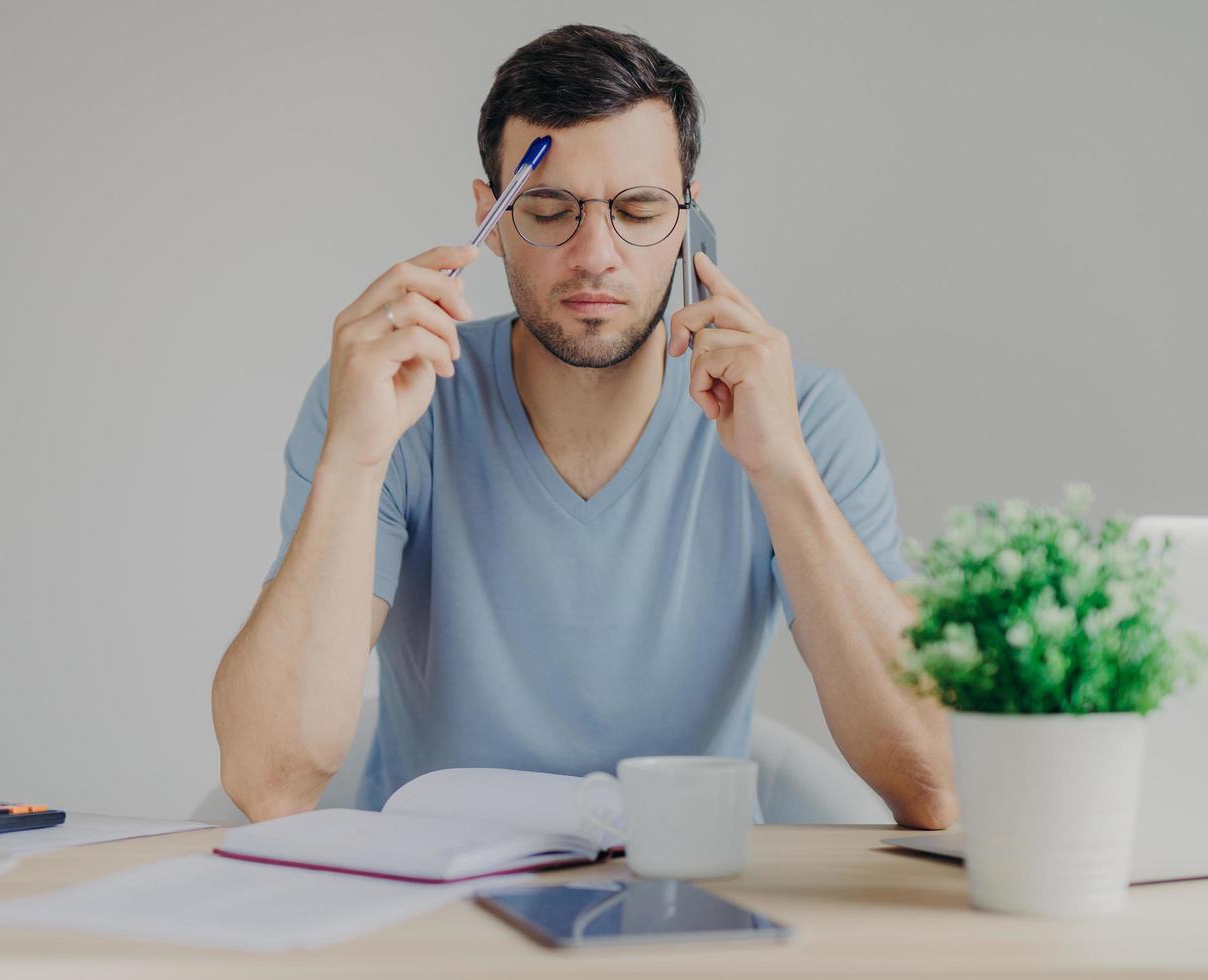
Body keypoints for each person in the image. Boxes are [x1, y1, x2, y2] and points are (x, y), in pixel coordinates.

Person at [212, 23, 956, 829]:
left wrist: (783, 471)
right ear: (489, 220)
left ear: (690, 223)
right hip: (435, 914)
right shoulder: (391, 400)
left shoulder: (805, 416)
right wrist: (355, 460)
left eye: (638, 208)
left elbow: (929, 782)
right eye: (546, 209)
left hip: (685, 893)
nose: (595, 253)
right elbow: (268, 782)